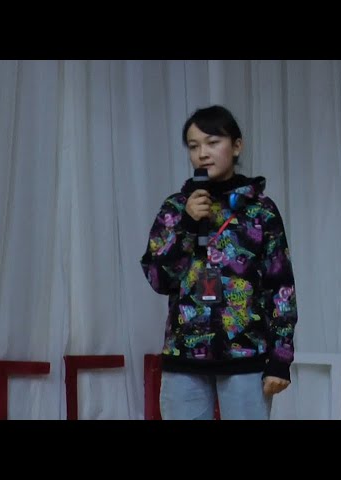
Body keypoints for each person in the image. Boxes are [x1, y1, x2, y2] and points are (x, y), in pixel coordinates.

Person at [140, 105, 298, 420]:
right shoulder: (176, 208)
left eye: (213, 142)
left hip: (245, 355)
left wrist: (281, 359)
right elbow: (159, 279)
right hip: (184, 356)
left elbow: (281, 287)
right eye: (194, 146)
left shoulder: (260, 211)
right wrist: (187, 225)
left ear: (236, 146)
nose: (203, 153)